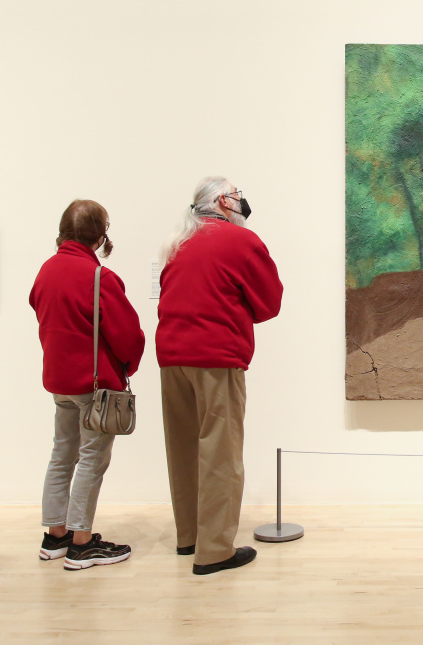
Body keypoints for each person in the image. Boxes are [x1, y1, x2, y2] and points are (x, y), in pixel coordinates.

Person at [156, 177, 283, 575]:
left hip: (171, 355)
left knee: (183, 449)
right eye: (238, 194)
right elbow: (269, 303)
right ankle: (214, 551)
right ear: (224, 201)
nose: (243, 200)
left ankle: (189, 537)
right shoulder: (242, 242)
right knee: (220, 453)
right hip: (216, 355)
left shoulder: (178, 243)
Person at [29, 200, 145, 570]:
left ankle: (55, 535)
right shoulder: (99, 278)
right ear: (100, 235)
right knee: (92, 459)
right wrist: (127, 366)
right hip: (94, 386)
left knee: (62, 455)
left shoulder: (46, 271)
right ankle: (82, 543)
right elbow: (127, 335)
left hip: (59, 381)